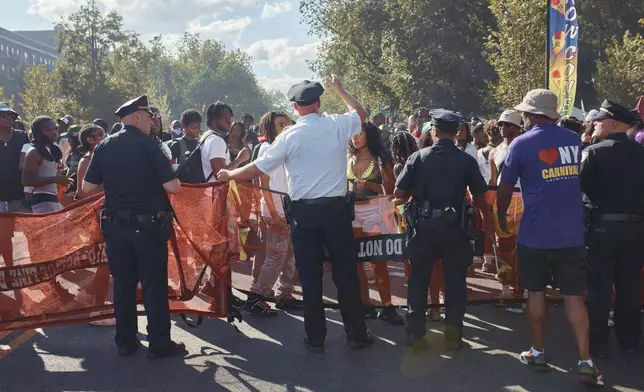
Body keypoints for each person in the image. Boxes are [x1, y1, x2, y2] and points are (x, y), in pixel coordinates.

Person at [216, 76, 372, 353]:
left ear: (296, 108)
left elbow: (257, 169)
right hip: (336, 211)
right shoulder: (336, 124)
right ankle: (357, 334)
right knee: (345, 274)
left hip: (305, 215)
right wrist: (341, 89)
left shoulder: (290, 135)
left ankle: (315, 338)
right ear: (319, 103)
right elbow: (361, 114)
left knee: (310, 277)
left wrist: (230, 174)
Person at [496, 89, 603, 386]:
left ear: (529, 115)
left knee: (536, 293)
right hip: (571, 233)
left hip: (535, 234)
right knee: (574, 298)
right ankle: (585, 361)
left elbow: (505, 187)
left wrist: (501, 215)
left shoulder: (521, 143)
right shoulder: (573, 139)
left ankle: (538, 352)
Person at [82, 95, 186, 360]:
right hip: (148, 226)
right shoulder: (149, 145)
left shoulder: (104, 146)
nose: (152, 121)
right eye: (149, 116)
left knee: (124, 284)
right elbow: (172, 186)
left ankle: (125, 342)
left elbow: (88, 188)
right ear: (137, 116)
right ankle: (159, 343)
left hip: (116, 227)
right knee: (153, 284)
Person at [394, 109, 492, 351]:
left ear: (434, 131)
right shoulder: (466, 160)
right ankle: (453, 336)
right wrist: (486, 221)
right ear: (456, 132)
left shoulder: (418, 158)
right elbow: (480, 197)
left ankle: (415, 335)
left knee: (418, 281)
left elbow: (398, 194)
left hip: (423, 228)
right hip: (455, 228)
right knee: (455, 283)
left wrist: (418, 192)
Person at [581, 100, 644, 359]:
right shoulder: (641, 153)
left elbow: (581, 187)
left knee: (599, 288)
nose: (595, 123)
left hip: (602, 228)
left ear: (614, 124)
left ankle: (597, 342)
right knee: (629, 286)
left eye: (600, 120)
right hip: (636, 230)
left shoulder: (595, 152)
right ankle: (629, 341)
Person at [245, 111, 302, 315]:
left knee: (288, 255)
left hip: (287, 208)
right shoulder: (267, 149)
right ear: (269, 128)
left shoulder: (284, 149)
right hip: (275, 209)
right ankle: (257, 297)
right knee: (276, 256)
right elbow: (263, 185)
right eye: (280, 124)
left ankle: (284, 294)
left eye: (288, 124)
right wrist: (273, 213)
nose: (286, 127)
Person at [348, 122, 404, 325]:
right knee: (357, 261)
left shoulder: (380, 159)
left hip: (374, 210)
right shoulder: (348, 158)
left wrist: (371, 184)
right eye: (352, 134)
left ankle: (387, 306)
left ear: (369, 135)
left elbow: (391, 188)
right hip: (352, 212)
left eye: (359, 133)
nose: (354, 137)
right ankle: (365, 305)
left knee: (377, 260)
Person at [488, 110, 523, 297]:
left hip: (525, 200)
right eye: (501, 124)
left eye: (508, 124)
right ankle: (506, 287)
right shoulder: (494, 152)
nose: (503, 128)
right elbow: (493, 183)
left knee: (525, 246)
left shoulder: (526, 147)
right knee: (504, 245)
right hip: (503, 201)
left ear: (518, 127)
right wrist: (487, 208)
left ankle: (523, 287)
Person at [22, 116, 73, 213]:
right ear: (37, 132)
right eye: (47, 130)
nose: (54, 132)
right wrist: (55, 179)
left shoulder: (52, 149)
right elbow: (26, 180)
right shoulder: (33, 152)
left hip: (53, 197)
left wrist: (62, 178)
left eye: (55, 129)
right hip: (40, 199)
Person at [0, 103, 30, 266]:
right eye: (4, 116)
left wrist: (24, 156)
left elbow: (29, 152)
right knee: (4, 234)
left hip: (19, 192)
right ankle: (10, 269)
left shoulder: (21, 136)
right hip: (0, 195)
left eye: (11, 116)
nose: (8, 119)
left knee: (32, 230)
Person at [201, 102, 250, 182]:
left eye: (230, 117)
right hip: (216, 192)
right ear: (215, 119)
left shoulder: (206, 137)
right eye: (226, 116)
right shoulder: (216, 141)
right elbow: (220, 176)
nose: (230, 121)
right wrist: (239, 159)